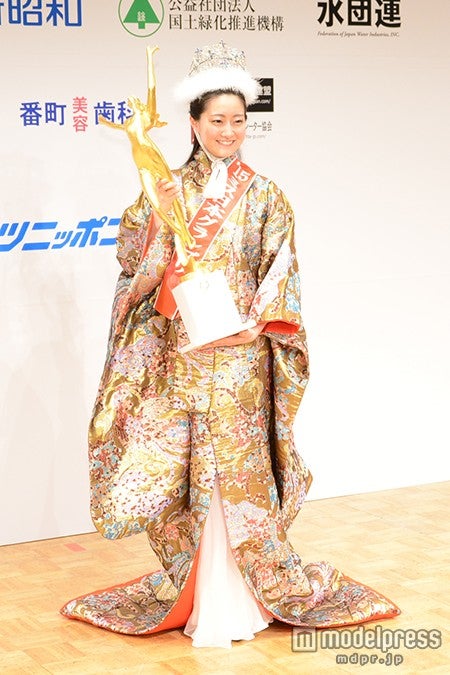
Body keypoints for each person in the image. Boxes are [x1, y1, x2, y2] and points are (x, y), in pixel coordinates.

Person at [61, 43, 399, 648]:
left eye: (238, 121)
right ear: (193, 123)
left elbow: (282, 268)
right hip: (185, 356)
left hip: (241, 357)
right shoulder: (165, 189)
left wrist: (259, 323)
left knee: (240, 476)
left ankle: (246, 596)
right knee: (189, 475)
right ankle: (199, 593)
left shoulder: (266, 194)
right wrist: (158, 227)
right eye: (216, 120)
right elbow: (134, 267)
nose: (228, 131)